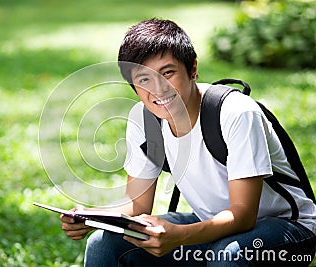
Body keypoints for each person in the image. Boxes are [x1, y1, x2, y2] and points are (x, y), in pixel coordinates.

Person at [60, 18, 316, 266]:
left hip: (289, 229)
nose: (158, 89)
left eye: (167, 72)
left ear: (192, 68)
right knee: (104, 244)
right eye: (144, 80)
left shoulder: (235, 112)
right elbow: (138, 205)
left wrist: (180, 236)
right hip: (214, 224)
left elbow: (243, 216)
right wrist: (92, 217)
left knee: (227, 256)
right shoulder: (144, 119)